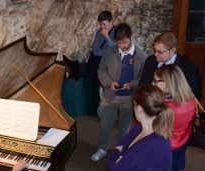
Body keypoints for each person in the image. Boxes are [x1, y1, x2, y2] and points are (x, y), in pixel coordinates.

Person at [107, 84, 173, 171]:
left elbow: (113, 170)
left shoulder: (149, 147)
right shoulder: (142, 128)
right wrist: (121, 154)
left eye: (134, 104)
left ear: (139, 108)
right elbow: (123, 145)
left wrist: (118, 154)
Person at [91, 23, 147, 161]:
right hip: (110, 95)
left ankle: (118, 151)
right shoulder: (110, 52)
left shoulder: (141, 55)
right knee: (105, 125)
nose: (122, 46)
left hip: (129, 98)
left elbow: (142, 78)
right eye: (119, 43)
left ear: (131, 37)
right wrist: (110, 83)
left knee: (124, 128)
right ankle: (102, 148)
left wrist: (131, 84)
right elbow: (101, 71)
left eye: (125, 42)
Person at [152, 64, 196, 171]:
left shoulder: (166, 108)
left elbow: (154, 129)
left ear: (168, 82)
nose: (153, 84)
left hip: (165, 149)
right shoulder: (190, 98)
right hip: (181, 143)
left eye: (156, 81)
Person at [138, 31, 202, 101]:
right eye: (155, 50)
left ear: (172, 50)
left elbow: (195, 97)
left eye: (160, 52)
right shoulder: (150, 60)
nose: (156, 54)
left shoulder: (189, 68)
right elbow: (142, 86)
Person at [87, 10, 116, 116]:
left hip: (113, 66)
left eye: (104, 23)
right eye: (100, 24)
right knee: (102, 89)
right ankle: (102, 112)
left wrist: (107, 37)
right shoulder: (98, 32)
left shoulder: (117, 32)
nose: (102, 27)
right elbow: (96, 51)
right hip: (101, 65)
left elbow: (116, 51)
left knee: (111, 91)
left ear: (111, 21)